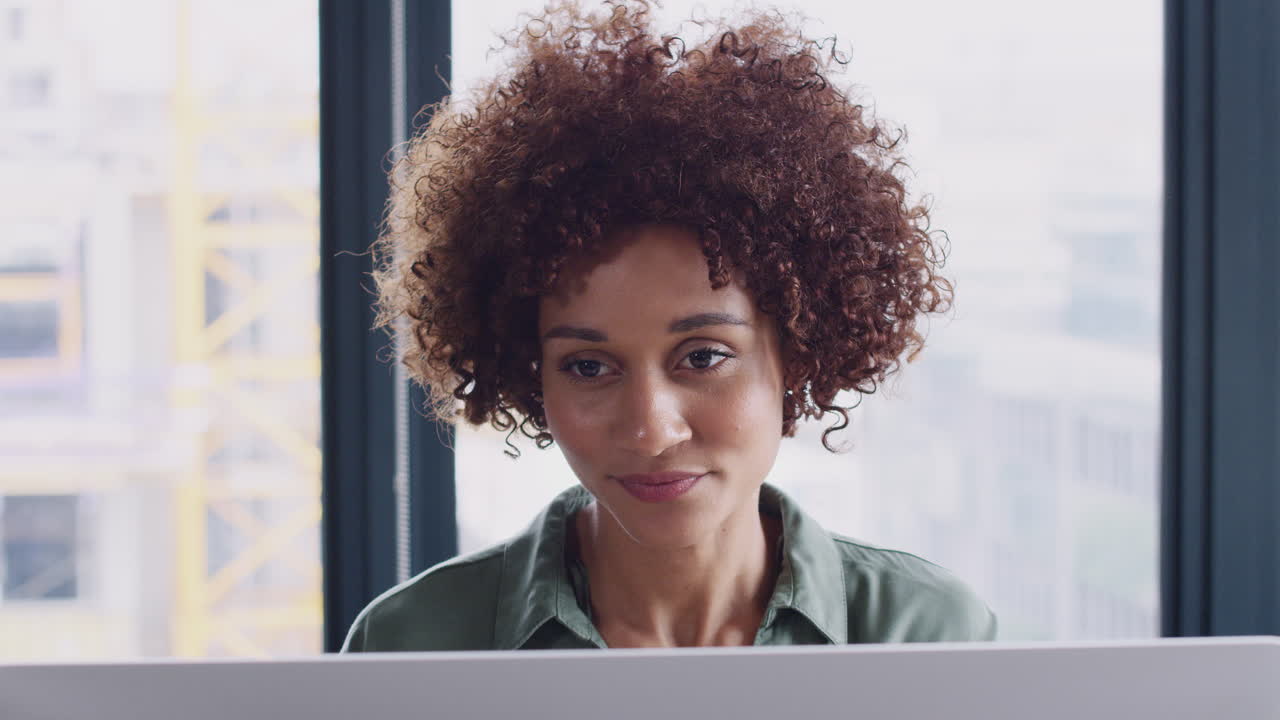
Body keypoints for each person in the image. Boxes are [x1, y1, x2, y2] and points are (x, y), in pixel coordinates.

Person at [343, 0, 996, 651]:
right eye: (588, 367)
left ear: (794, 353)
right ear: (530, 375)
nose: (651, 430)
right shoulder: (412, 644)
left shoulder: (928, 634)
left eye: (704, 357)